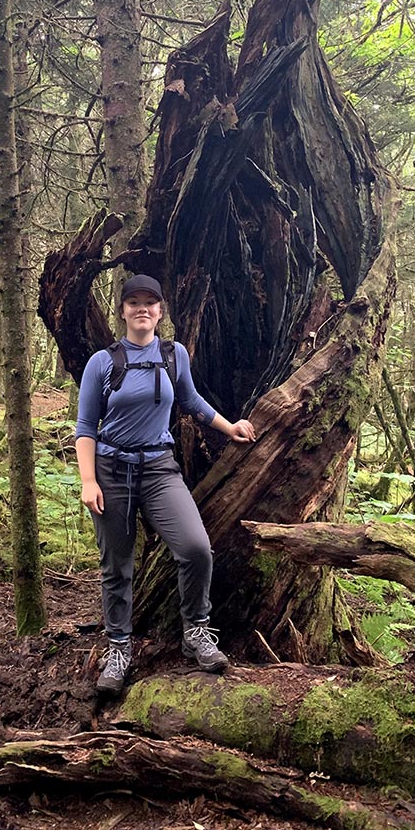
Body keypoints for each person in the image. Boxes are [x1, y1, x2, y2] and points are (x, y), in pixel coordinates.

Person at [75, 274, 255, 696]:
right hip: (112, 472)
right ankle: (118, 649)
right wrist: (88, 480)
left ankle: (195, 631)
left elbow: (191, 401)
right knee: (116, 568)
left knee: (195, 548)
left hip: (159, 468)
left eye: (150, 303)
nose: (142, 309)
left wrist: (230, 427)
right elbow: (85, 427)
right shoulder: (103, 362)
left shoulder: (175, 356)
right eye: (133, 302)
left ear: (160, 311)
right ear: (122, 310)